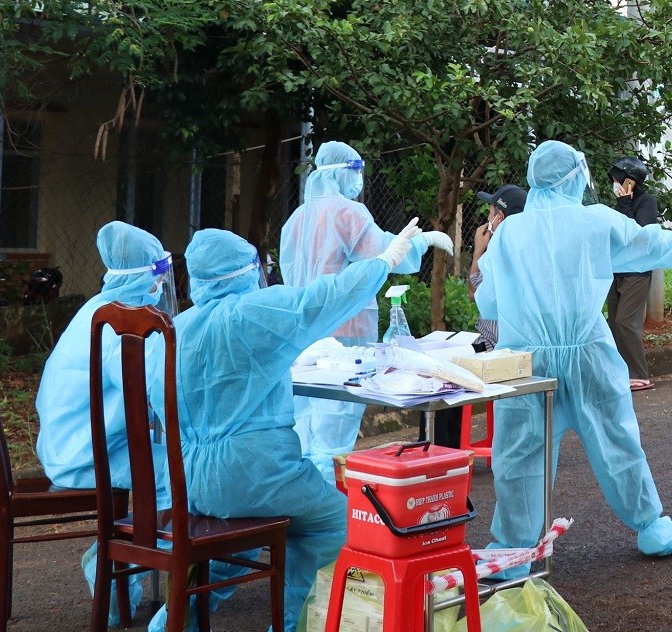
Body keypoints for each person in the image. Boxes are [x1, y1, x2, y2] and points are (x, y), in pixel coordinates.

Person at [153, 224, 421, 632]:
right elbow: (320, 301)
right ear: (246, 271)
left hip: (188, 480)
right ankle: (295, 621)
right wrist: (383, 262)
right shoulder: (252, 312)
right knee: (333, 522)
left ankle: (174, 620)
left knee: (230, 539)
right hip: (253, 474)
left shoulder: (173, 329)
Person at [476, 141, 672, 571]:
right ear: (576, 176)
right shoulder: (595, 220)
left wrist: (502, 335)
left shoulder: (510, 231)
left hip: (527, 360)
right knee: (618, 441)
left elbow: (489, 299)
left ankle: (511, 549)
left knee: (518, 457)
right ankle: (650, 525)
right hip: (589, 353)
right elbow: (645, 242)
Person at [280, 140, 452, 485]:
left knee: (302, 431)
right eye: (356, 171)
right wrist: (422, 242)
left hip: (300, 338)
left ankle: (297, 515)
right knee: (334, 434)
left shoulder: (296, 218)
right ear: (342, 172)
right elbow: (385, 256)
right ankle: (326, 522)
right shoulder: (349, 213)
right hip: (344, 339)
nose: (359, 179)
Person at [35, 222, 174, 624]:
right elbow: (149, 390)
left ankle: (125, 573)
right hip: (84, 456)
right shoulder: (119, 324)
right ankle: (118, 560)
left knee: (167, 464)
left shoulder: (97, 310)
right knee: (181, 475)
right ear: (150, 277)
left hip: (70, 445)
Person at [607, 156, 661, 392]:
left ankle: (639, 374)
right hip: (616, 269)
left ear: (631, 182)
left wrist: (626, 204)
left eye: (619, 180)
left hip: (637, 271)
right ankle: (621, 372)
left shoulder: (647, 202)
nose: (615, 184)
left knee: (626, 322)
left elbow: (636, 235)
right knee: (614, 322)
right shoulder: (620, 204)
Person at [469, 183, 527, 348]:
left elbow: (474, 294)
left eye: (490, 213)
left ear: (499, 217)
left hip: (496, 347)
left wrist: (478, 250)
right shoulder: (531, 249)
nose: (488, 219)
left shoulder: (496, 254)